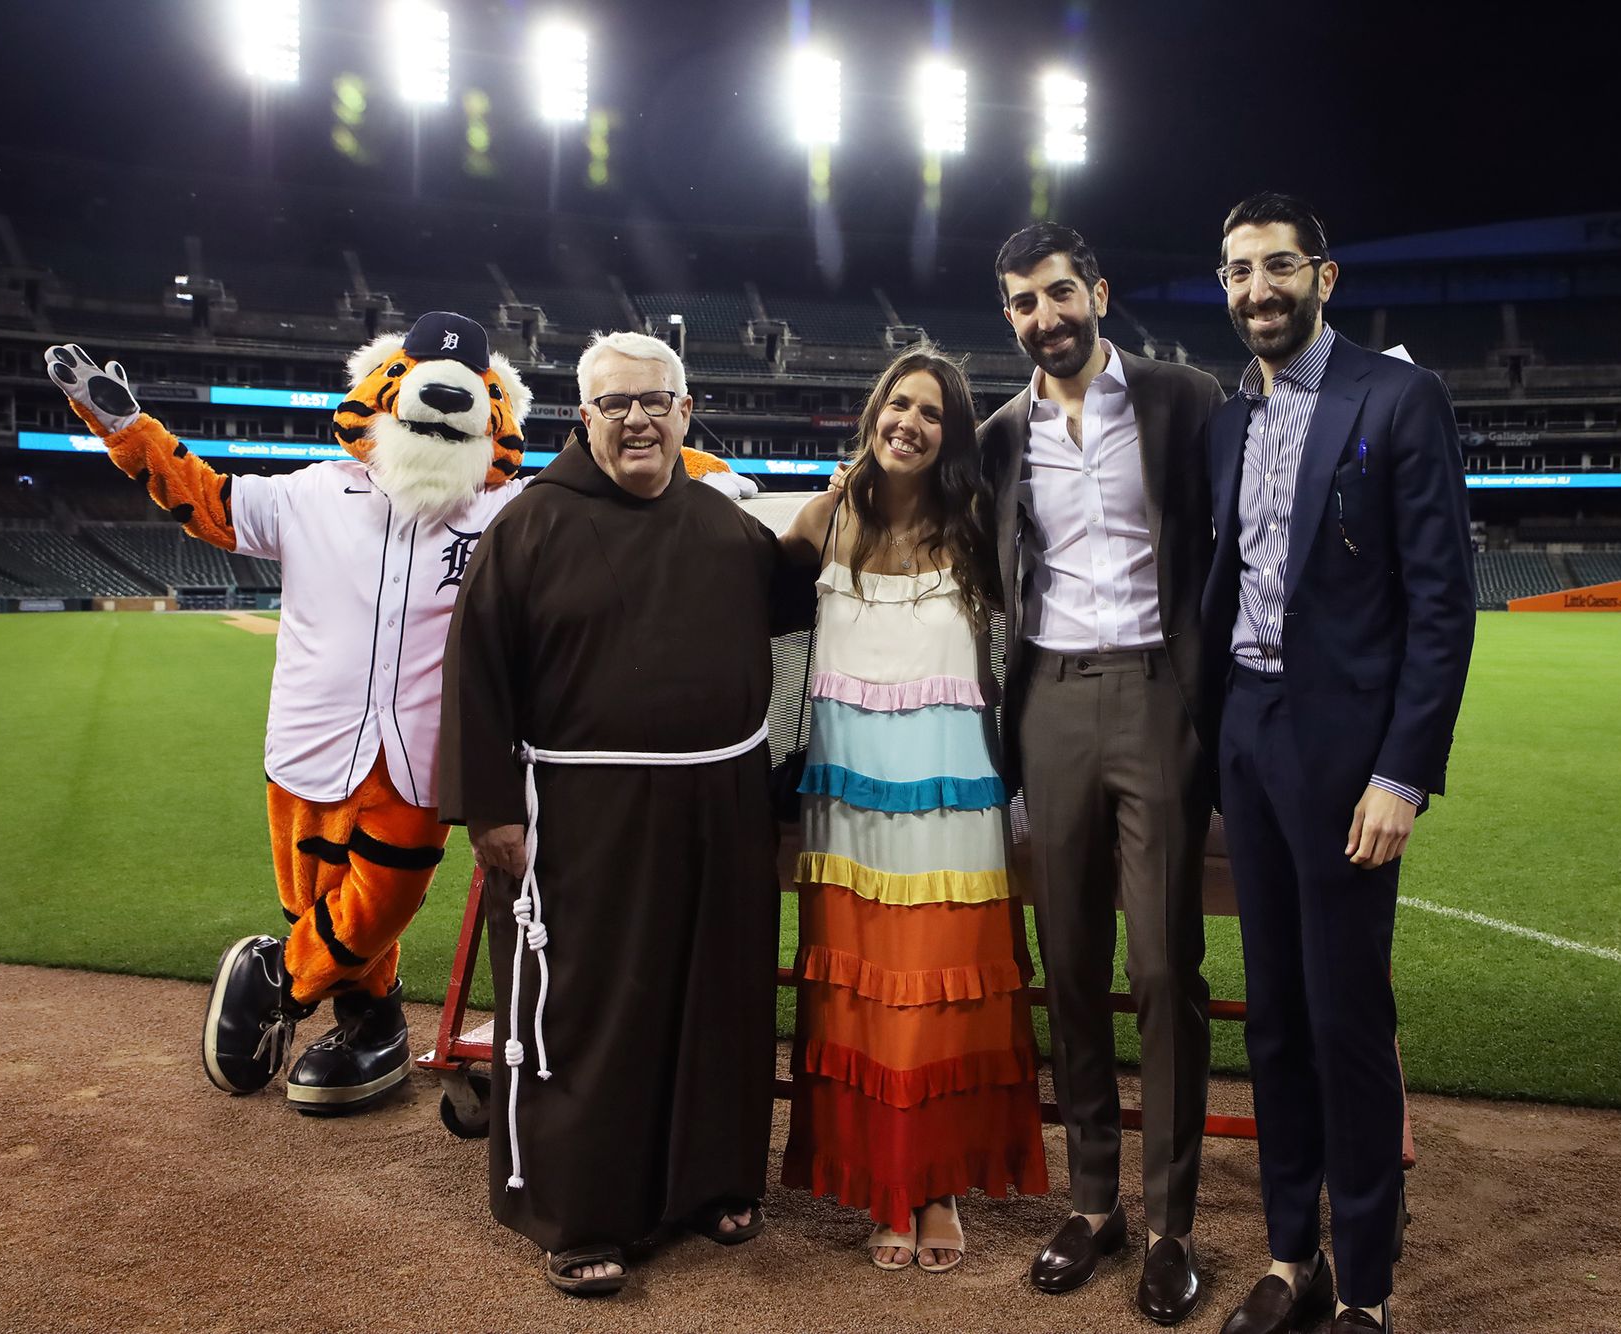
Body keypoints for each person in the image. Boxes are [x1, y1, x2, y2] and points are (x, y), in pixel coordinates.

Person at [42, 313, 532, 1115]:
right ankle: (372, 1019)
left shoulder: (510, 511)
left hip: (427, 758)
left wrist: (705, 470)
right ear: (381, 389)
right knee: (316, 900)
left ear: (493, 408)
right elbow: (207, 502)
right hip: (310, 740)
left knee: (382, 898)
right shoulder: (311, 492)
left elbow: (608, 491)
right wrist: (123, 425)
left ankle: (280, 982)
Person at [438, 330, 814, 1297]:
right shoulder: (529, 526)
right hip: (580, 813)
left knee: (716, 998)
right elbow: (475, 676)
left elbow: (801, 592)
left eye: (657, 402)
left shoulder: (725, 525)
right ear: (585, 417)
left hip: (720, 805)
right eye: (617, 405)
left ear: (688, 414)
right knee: (592, 1010)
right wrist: (492, 814)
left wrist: (862, 494)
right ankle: (580, 1211)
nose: (639, 419)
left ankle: (713, 1182)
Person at [1201, 194, 1474, 1334]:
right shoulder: (1226, 419)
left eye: (1274, 267)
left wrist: (1399, 773)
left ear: (1323, 274)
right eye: (1233, 272)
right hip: (1248, 732)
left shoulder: (1396, 396)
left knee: (1345, 1018)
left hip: (1346, 753)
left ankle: (1362, 1284)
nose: (1254, 289)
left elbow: (1441, 604)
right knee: (1270, 1017)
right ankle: (1286, 1255)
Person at [978, 223, 1226, 1325]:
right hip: (1045, 701)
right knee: (1068, 960)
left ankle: (1170, 1220)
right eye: (1024, 303)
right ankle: (1091, 1199)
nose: (1047, 316)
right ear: (1010, 317)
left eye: (1060, 291)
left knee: (1165, 966)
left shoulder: (1185, 397)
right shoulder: (994, 436)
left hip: (1158, 690)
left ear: (1099, 292)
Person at [778, 348, 1048, 1273]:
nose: (911, 424)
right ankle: (881, 1187)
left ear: (952, 434)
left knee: (940, 1003)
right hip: (845, 802)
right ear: (873, 412)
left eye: (933, 414)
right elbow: (737, 600)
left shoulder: (978, 522)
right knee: (857, 1003)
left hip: (953, 802)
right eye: (900, 404)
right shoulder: (824, 515)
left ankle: (934, 1187)